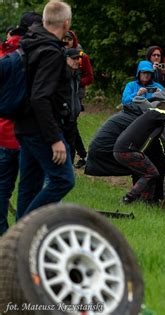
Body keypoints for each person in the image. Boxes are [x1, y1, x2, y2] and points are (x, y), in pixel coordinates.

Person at [14, 1, 75, 220]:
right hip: (41, 127)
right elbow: (40, 97)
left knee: (29, 186)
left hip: (23, 124)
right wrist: (55, 138)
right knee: (64, 179)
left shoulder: (30, 42)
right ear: (66, 23)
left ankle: (17, 245)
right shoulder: (50, 51)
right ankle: (26, 229)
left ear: (44, 20)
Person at [113, 85, 165, 204]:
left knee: (149, 174)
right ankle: (129, 197)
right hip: (127, 151)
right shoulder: (155, 113)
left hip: (123, 150)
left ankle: (148, 201)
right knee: (151, 173)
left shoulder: (151, 115)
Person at [0, 12, 42, 235]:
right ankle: (23, 235)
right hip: (29, 133)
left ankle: (3, 235)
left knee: (2, 188)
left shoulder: (4, 53)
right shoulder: (37, 54)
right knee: (29, 189)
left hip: (4, 133)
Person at [63, 30, 94, 168]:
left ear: (73, 40)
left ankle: (79, 156)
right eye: (64, 38)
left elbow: (90, 77)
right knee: (71, 127)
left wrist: (77, 81)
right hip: (65, 95)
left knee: (71, 126)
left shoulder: (82, 56)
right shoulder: (59, 53)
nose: (66, 41)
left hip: (76, 95)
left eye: (69, 39)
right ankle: (83, 154)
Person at [63, 47, 83, 163]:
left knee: (71, 149)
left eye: (78, 58)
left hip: (72, 118)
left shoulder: (75, 74)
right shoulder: (62, 75)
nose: (77, 61)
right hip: (63, 118)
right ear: (66, 59)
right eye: (74, 58)